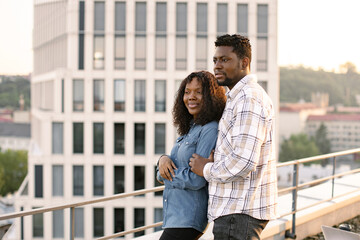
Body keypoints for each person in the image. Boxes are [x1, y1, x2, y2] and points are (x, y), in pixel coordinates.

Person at [189, 34, 279, 240]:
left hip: (238, 213)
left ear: (244, 62)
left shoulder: (248, 98)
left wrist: (205, 168)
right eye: (215, 60)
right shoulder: (238, 97)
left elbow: (244, 161)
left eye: (225, 59)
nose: (217, 66)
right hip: (235, 212)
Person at [156, 71, 226, 240]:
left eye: (198, 92)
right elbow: (172, 164)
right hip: (176, 218)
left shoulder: (209, 128)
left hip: (188, 219)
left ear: (210, 96)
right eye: (187, 92)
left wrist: (165, 175)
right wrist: (163, 159)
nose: (191, 97)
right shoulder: (191, 128)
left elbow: (198, 178)